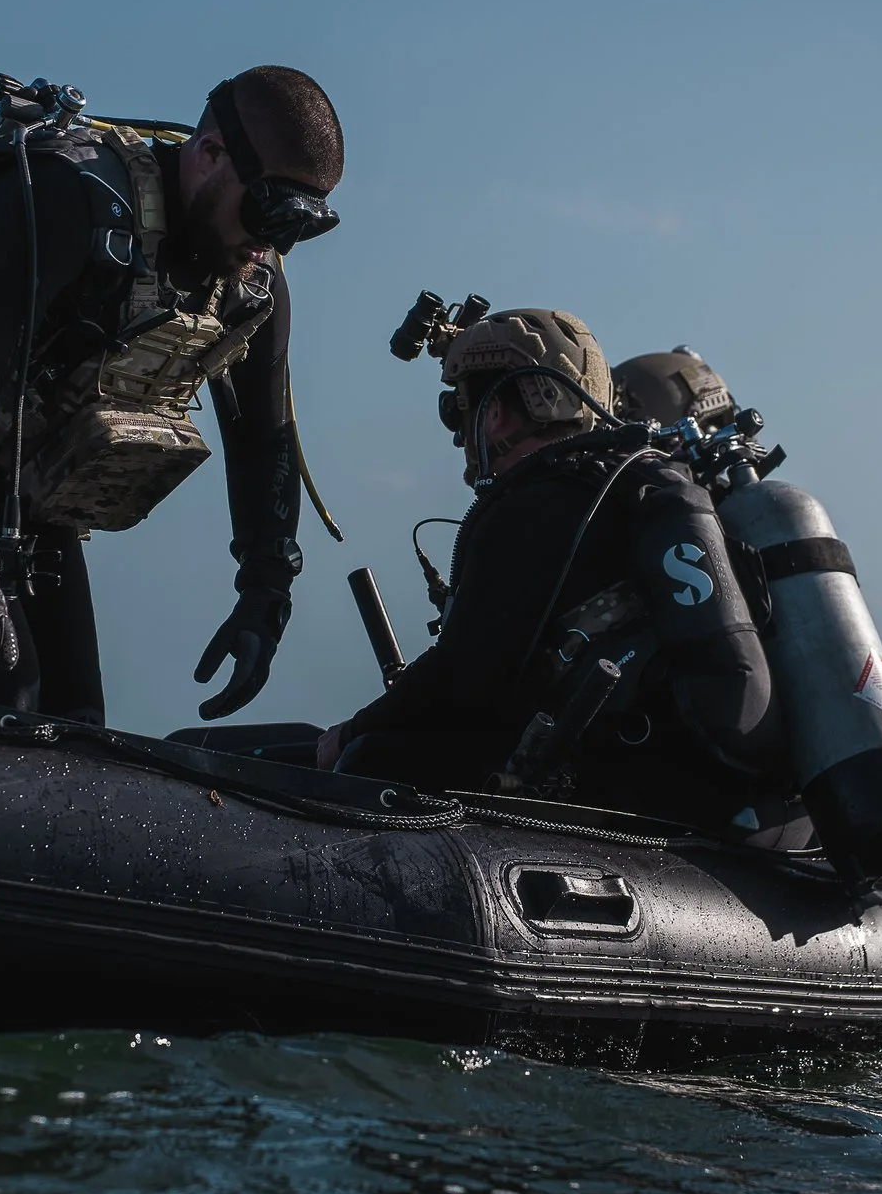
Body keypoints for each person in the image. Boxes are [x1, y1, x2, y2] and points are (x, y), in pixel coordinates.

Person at [0, 67, 343, 726]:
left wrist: (265, 588)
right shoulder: (70, 200)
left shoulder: (251, 282)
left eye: (304, 226)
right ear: (211, 153)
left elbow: (262, 435)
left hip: (18, 496)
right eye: (270, 211)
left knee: (78, 719)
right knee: (6, 701)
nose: (275, 242)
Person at [315, 309, 780, 816]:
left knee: (372, 759)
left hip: (624, 789)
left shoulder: (537, 504)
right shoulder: (635, 495)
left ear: (494, 412)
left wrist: (352, 733)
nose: (457, 434)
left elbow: (463, 678)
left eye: (458, 409)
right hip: (721, 791)